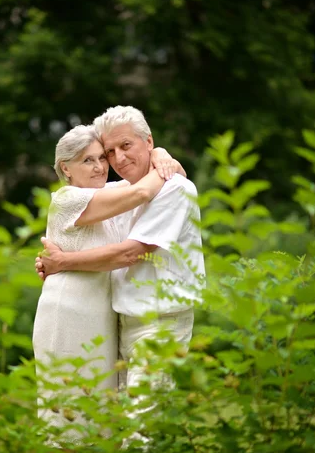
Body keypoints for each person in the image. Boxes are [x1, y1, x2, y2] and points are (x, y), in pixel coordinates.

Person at [36, 106, 205, 389]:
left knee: (141, 424)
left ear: (148, 142)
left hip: (159, 323)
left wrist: (63, 261)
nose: (115, 160)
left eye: (125, 146)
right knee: (116, 423)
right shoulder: (118, 192)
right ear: (65, 167)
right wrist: (163, 159)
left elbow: (131, 253)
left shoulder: (174, 189)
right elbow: (135, 194)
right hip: (118, 324)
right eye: (110, 151)